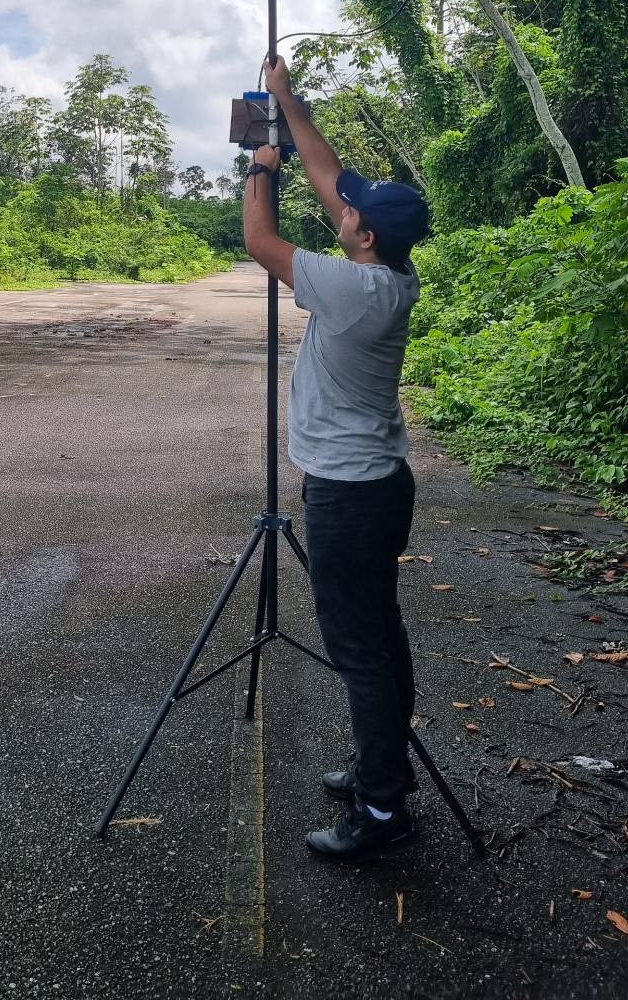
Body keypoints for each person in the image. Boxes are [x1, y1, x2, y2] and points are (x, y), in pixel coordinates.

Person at [240, 53, 432, 863]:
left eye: (353, 211)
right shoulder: (388, 270)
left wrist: (258, 164)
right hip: (379, 484)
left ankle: (382, 808)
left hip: (349, 496)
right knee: (380, 637)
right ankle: (384, 771)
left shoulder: (348, 289)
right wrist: (287, 101)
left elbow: (259, 238)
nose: (342, 207)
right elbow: (330, 178)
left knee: (358, 651)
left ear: (362, 234)